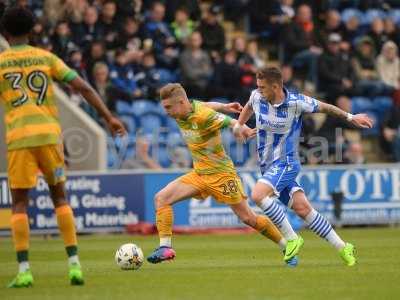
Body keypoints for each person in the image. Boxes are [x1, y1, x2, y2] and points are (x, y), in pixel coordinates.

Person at [0, 7, 126, 288]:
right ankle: (74, 267)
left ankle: (24, 271)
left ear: (5, 33)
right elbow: (84, 88)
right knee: (60, 199)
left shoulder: (1, 62)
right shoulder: (46, 58)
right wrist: (109, 118)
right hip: (49, 137)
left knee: (20, 203)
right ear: (33, 30)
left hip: (20, 139)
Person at [146, 83, 297, 267]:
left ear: (181, 102)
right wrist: (225, 106)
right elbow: (206, 104)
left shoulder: (203, 116)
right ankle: (165, 248)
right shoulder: (186, 109)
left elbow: (229, 122)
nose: (166, 112)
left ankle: (286, 247)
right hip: (199, 174)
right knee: (161, 198)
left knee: (248, 218)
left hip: (222, 175)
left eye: (169, 107)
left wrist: (242, 127)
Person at [234, 67, 373, 266]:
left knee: (257, 195)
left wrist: (351, 117)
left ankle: (292, 238)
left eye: (262, 87)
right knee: (302, 208)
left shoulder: (296, 102)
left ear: (275, 86)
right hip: (267, 166)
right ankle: (343, 247)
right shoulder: (257, 96)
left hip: (287, 162)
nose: (258, 90)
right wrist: (240, 126)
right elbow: (248, 106)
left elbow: (326, 107)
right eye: (257, 86)